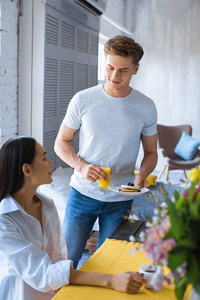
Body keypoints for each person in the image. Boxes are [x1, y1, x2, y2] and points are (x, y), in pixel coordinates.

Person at [54, 35, 158, 268]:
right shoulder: (83, 99)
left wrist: (141, 175)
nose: (114, 76)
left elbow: (151, 152)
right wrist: (81, 166)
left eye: (123, 70)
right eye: (110, 67)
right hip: (81, 194)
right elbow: (61, 142)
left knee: (109, 263)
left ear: (136, 69)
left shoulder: (146, 106)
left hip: (121, 197)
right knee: (67, 261)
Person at [0, 136, 146, 300]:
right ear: (27, 170)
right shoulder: (3, 221)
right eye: (44, 158)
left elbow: (59, 254)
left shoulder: (47, 205)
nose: (50, 164)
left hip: (55, 292)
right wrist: (111, 280)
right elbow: (42, 273)